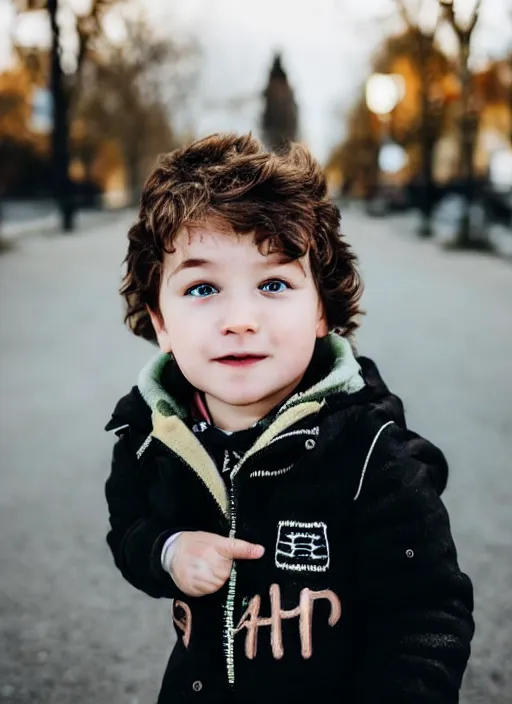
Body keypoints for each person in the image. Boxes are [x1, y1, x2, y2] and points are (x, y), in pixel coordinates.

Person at [104, 132, 474, 704]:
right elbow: (128, 527)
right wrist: (168, 550)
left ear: (322, 309)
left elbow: (425, 613)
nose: (241, 319)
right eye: (202, 288)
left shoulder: (372, 453)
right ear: (161, 323)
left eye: (273, 283)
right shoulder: (151, 435)